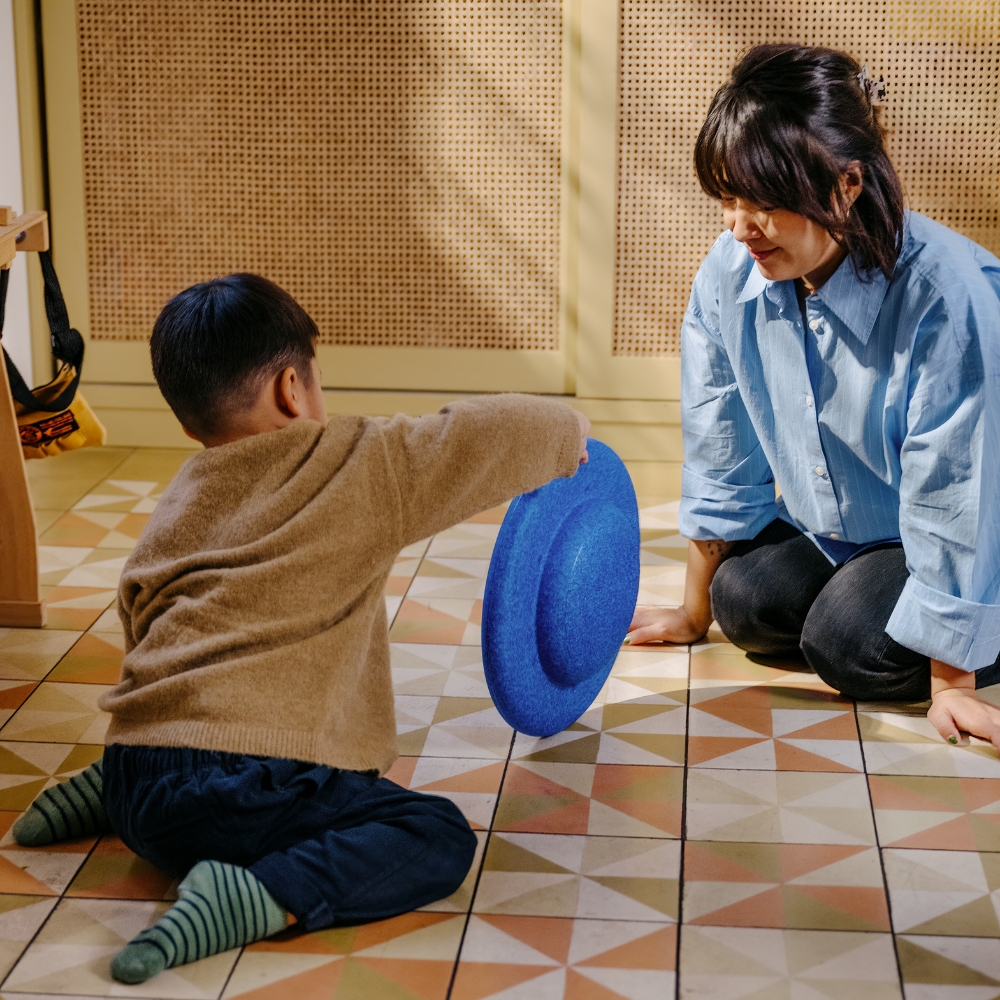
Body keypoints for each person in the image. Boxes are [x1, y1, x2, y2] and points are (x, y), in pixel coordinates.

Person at [11, 273, 590, 983]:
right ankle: (259, 896)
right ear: (292, 388)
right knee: (433, 833)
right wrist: (569, 435)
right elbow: (491, 431)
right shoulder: (358, 463)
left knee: (180, 726)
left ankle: (105, 791)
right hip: (238, 797)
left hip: (139, 776)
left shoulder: (181, 498)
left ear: (189, 423)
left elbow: (141, 622)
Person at [627, 44, 1000, 749]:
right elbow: (720, 443)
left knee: (847, 643)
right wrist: (692, 613)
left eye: (765, 203)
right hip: (851, 531)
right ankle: (868, 602)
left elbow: (956, 495)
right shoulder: (730, 273)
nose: (741, 227)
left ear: (846, 183)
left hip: (980, 530)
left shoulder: (946, 300)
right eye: (729, 199)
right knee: (745, 600)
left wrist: (953, 684)